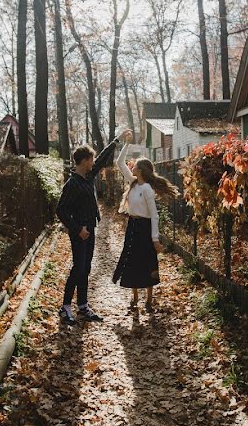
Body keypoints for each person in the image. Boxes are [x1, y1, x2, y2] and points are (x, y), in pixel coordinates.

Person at [112, 130, 179, 312]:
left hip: (145, 228)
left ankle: (149, 299)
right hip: (132, 226)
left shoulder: (147, 189)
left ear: (140, 170)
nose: (131, 167)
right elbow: (119, 163)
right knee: (132, 261)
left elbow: (154, 215)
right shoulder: (133, 183)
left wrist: (155, 239)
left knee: (148, 261)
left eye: (134, 166)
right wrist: (126, 143)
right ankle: (134, 297)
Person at [55, 137, 119, 324]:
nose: (93, 162)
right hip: (79, 232)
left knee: (86, 268)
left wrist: (115, 142)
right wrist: (77, 229)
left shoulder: (88, 177)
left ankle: (82, 306)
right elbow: (61, 210)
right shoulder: (72, 184)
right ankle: (65, 307)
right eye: (90, 159)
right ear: (84, 161)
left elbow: (101, 159)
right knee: (78, 268)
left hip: (90, 229)